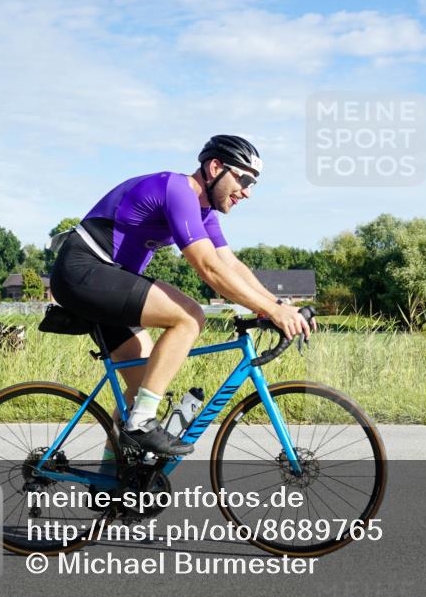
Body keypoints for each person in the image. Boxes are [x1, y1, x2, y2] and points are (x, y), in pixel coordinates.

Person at [49, 135, 313, 458]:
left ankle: (113, 488)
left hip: (106, 279)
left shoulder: (204, 213)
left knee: (142, 386)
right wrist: (272, 312)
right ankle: (142, 423)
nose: (247, 191)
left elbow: (229, 264)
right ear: (215, 167)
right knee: (190, 317)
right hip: (84, 270)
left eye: (252, 183)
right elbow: (208, 269)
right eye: (243, 179)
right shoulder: (177, 192)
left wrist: (278, 305)